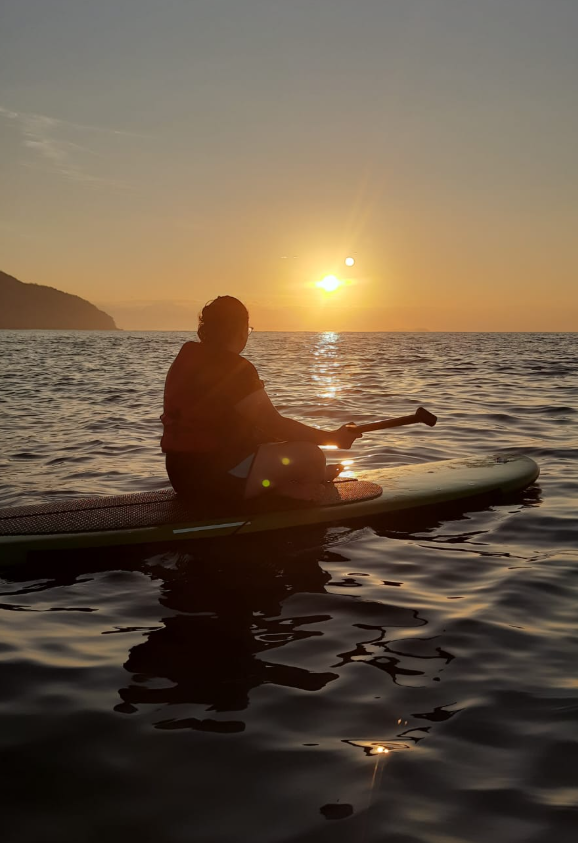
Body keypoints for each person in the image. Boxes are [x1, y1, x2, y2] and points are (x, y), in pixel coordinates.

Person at [161, 296, 361, 504]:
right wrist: (333, 439)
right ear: (240, 330)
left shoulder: (187, 357)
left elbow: (251, 429)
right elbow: (275, 424)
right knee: (312, 455)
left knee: (288, 448)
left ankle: (298, 480)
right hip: (216, 483)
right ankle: (282, 490)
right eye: (248, 330)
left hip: (181, 477)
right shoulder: (234, 369)